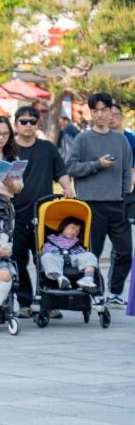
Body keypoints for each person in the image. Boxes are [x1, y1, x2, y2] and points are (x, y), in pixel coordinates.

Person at [66, 93, 133, 308]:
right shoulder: (82, 139)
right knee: (91, 252)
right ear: (90, 112)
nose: (100, 115)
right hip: (90, 204)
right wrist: (97, 164)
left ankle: (114, 291)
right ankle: (95, 290)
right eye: (95, 111)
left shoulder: (121, 139)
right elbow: (70, 167)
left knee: (125, 251)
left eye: (104, 110)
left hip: (117, 203)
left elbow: (126, 171)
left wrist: (124, 197)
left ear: (111, 111)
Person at [11, 105, 75, 317]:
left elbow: (61, 172)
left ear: (38, 124)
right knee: (18, 261)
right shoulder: (10, 150)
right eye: (23, 121)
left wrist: (68, 188)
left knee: (47, 259)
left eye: (32, 121)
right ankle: (24, 303)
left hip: (45, 215)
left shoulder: (48, 148)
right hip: (16, 215)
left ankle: (50, 301)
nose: (28, 125)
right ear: (16, 124)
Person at [40, 216, 99, 292]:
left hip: (74, 259)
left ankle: (88, 278)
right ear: (64, 227)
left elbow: (83, 256)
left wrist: (83, 255)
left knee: (90, 255)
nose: (75, 232)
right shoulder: (52, 240)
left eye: (78, 231)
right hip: (57, 258)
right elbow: (47, 251)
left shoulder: (77, 243)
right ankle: (61, 279)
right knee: (46, 257)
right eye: (73, 228)